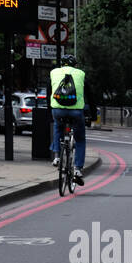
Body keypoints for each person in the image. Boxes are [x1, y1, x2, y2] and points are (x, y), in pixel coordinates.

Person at [49, 54, 88, 185]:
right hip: (76, 111)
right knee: (80, 139)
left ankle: (57, 157)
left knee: (58, 127)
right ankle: (77, 169)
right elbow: (89, 94)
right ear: (75, 65)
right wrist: (92, 114)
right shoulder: (81, 74)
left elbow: (50, 90)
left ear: (62, 64)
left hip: (58, 109)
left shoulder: (54, 72)